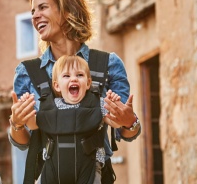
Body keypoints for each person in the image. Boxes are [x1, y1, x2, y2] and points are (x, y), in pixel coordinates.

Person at [8, 0, 141, 184]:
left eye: (43, 7)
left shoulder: (108, 64)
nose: (34, 16)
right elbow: (23, 142)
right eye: (33, 10)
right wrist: (16, 124)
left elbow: (127, 132)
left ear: (68, 11)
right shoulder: (27, 72)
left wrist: (130, 122)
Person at [21, 55, 124, 184]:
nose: (74, 78)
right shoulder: (49, 106)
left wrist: (115, 107)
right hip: (52, 169)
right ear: (57, 86)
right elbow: (33, 125)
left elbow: (117, 122)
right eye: (66, 76)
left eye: (79, 75)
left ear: (88, 83)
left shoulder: (99, 104)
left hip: (89, 168)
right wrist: (27, 109)